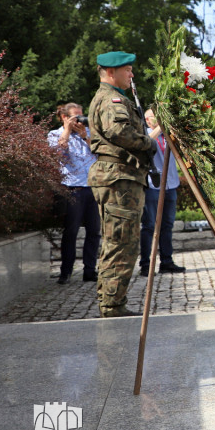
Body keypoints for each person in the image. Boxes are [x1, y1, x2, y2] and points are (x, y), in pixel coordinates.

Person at [87, 51, 157, 317]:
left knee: (121, 241)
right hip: (119, 178)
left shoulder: (114, 97)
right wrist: (149, 142)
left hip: (121, 177)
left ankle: (113, 303)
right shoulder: (111, 98)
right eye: (127, 70)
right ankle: (112, 306)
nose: (132, 74)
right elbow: (119, 131)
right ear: (110, 72)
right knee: (120, 242)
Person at [47, 102, 100, 285]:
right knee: (71, 232)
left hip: (93, 187)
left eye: (81, 115)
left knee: (94, 232)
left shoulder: (88, 133)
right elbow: (59, 151)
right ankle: (66, 272)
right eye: (75, 116)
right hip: (72, 189)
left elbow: (100, 152)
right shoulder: (54, 134)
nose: (80, 119)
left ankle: (90, 271)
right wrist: (68, 130)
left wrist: (85, 135)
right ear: (64, 117)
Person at [138, 109, 187, 277]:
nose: (159, 119)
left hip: (170, 184)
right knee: (149, 226)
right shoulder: (143, 132)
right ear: (146, 119)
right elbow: (145, 143)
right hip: (153, 185)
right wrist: (160, 127)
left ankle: (167, 261)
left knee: (167, 225)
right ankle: (145, 264)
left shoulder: (168, 135)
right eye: (155, 117)